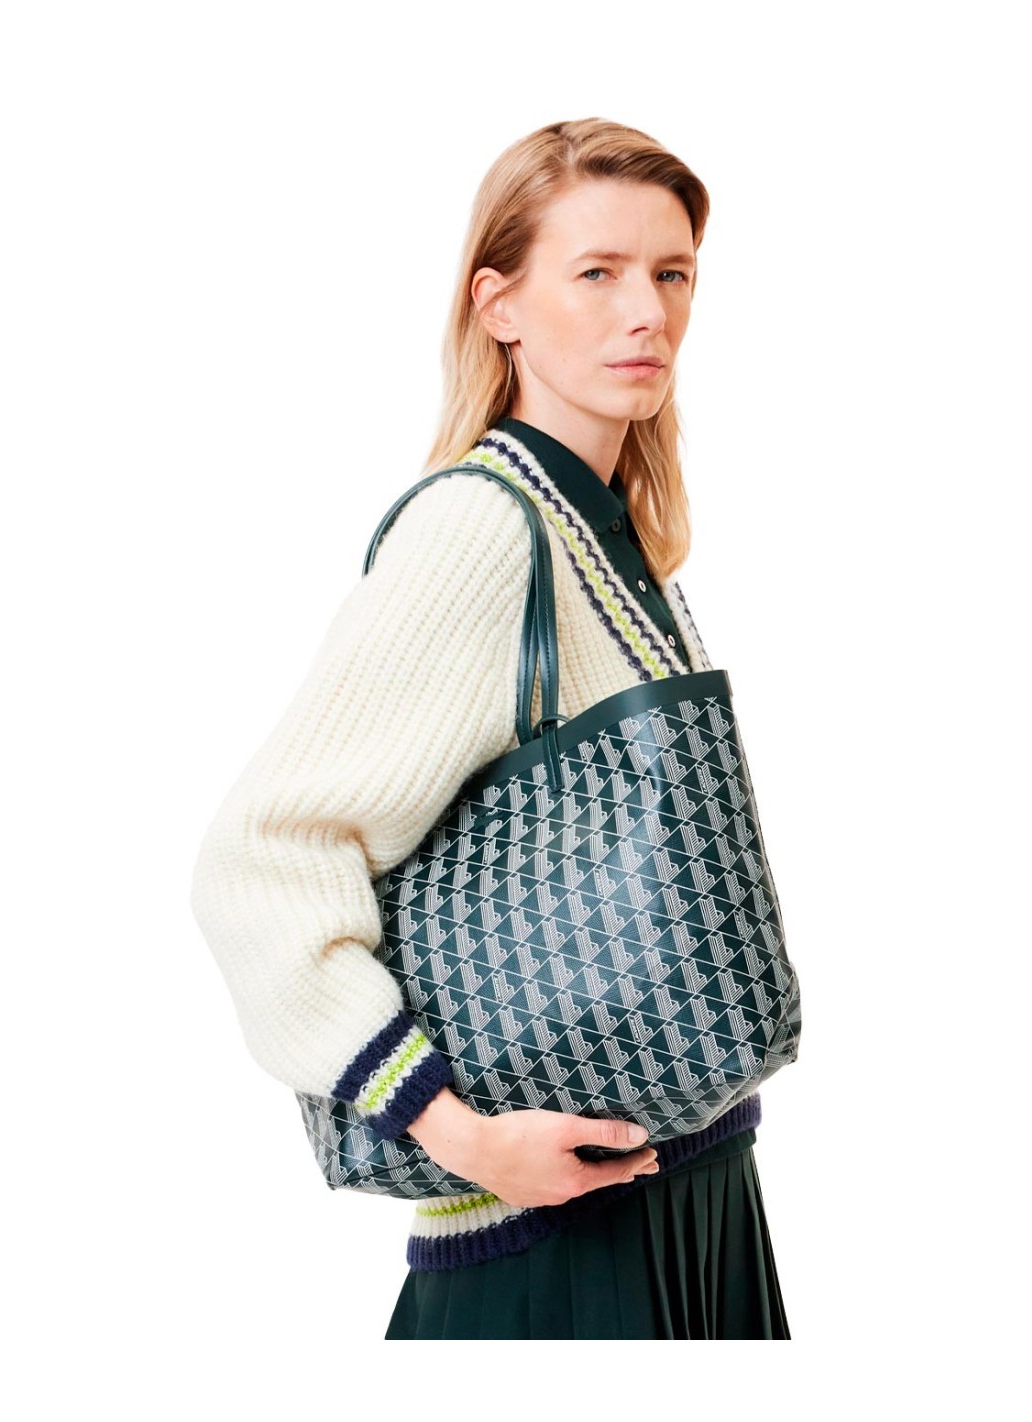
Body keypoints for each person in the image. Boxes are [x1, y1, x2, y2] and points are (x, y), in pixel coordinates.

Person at [190, 117, 791, 1340]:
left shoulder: (612, 537)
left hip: (695, 1195)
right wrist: (456, 1134)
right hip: (548, 1239)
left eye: (671, 273)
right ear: (498, 304)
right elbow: (258, 860)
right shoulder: (478, 530)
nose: (647, 313)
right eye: (597, 272)